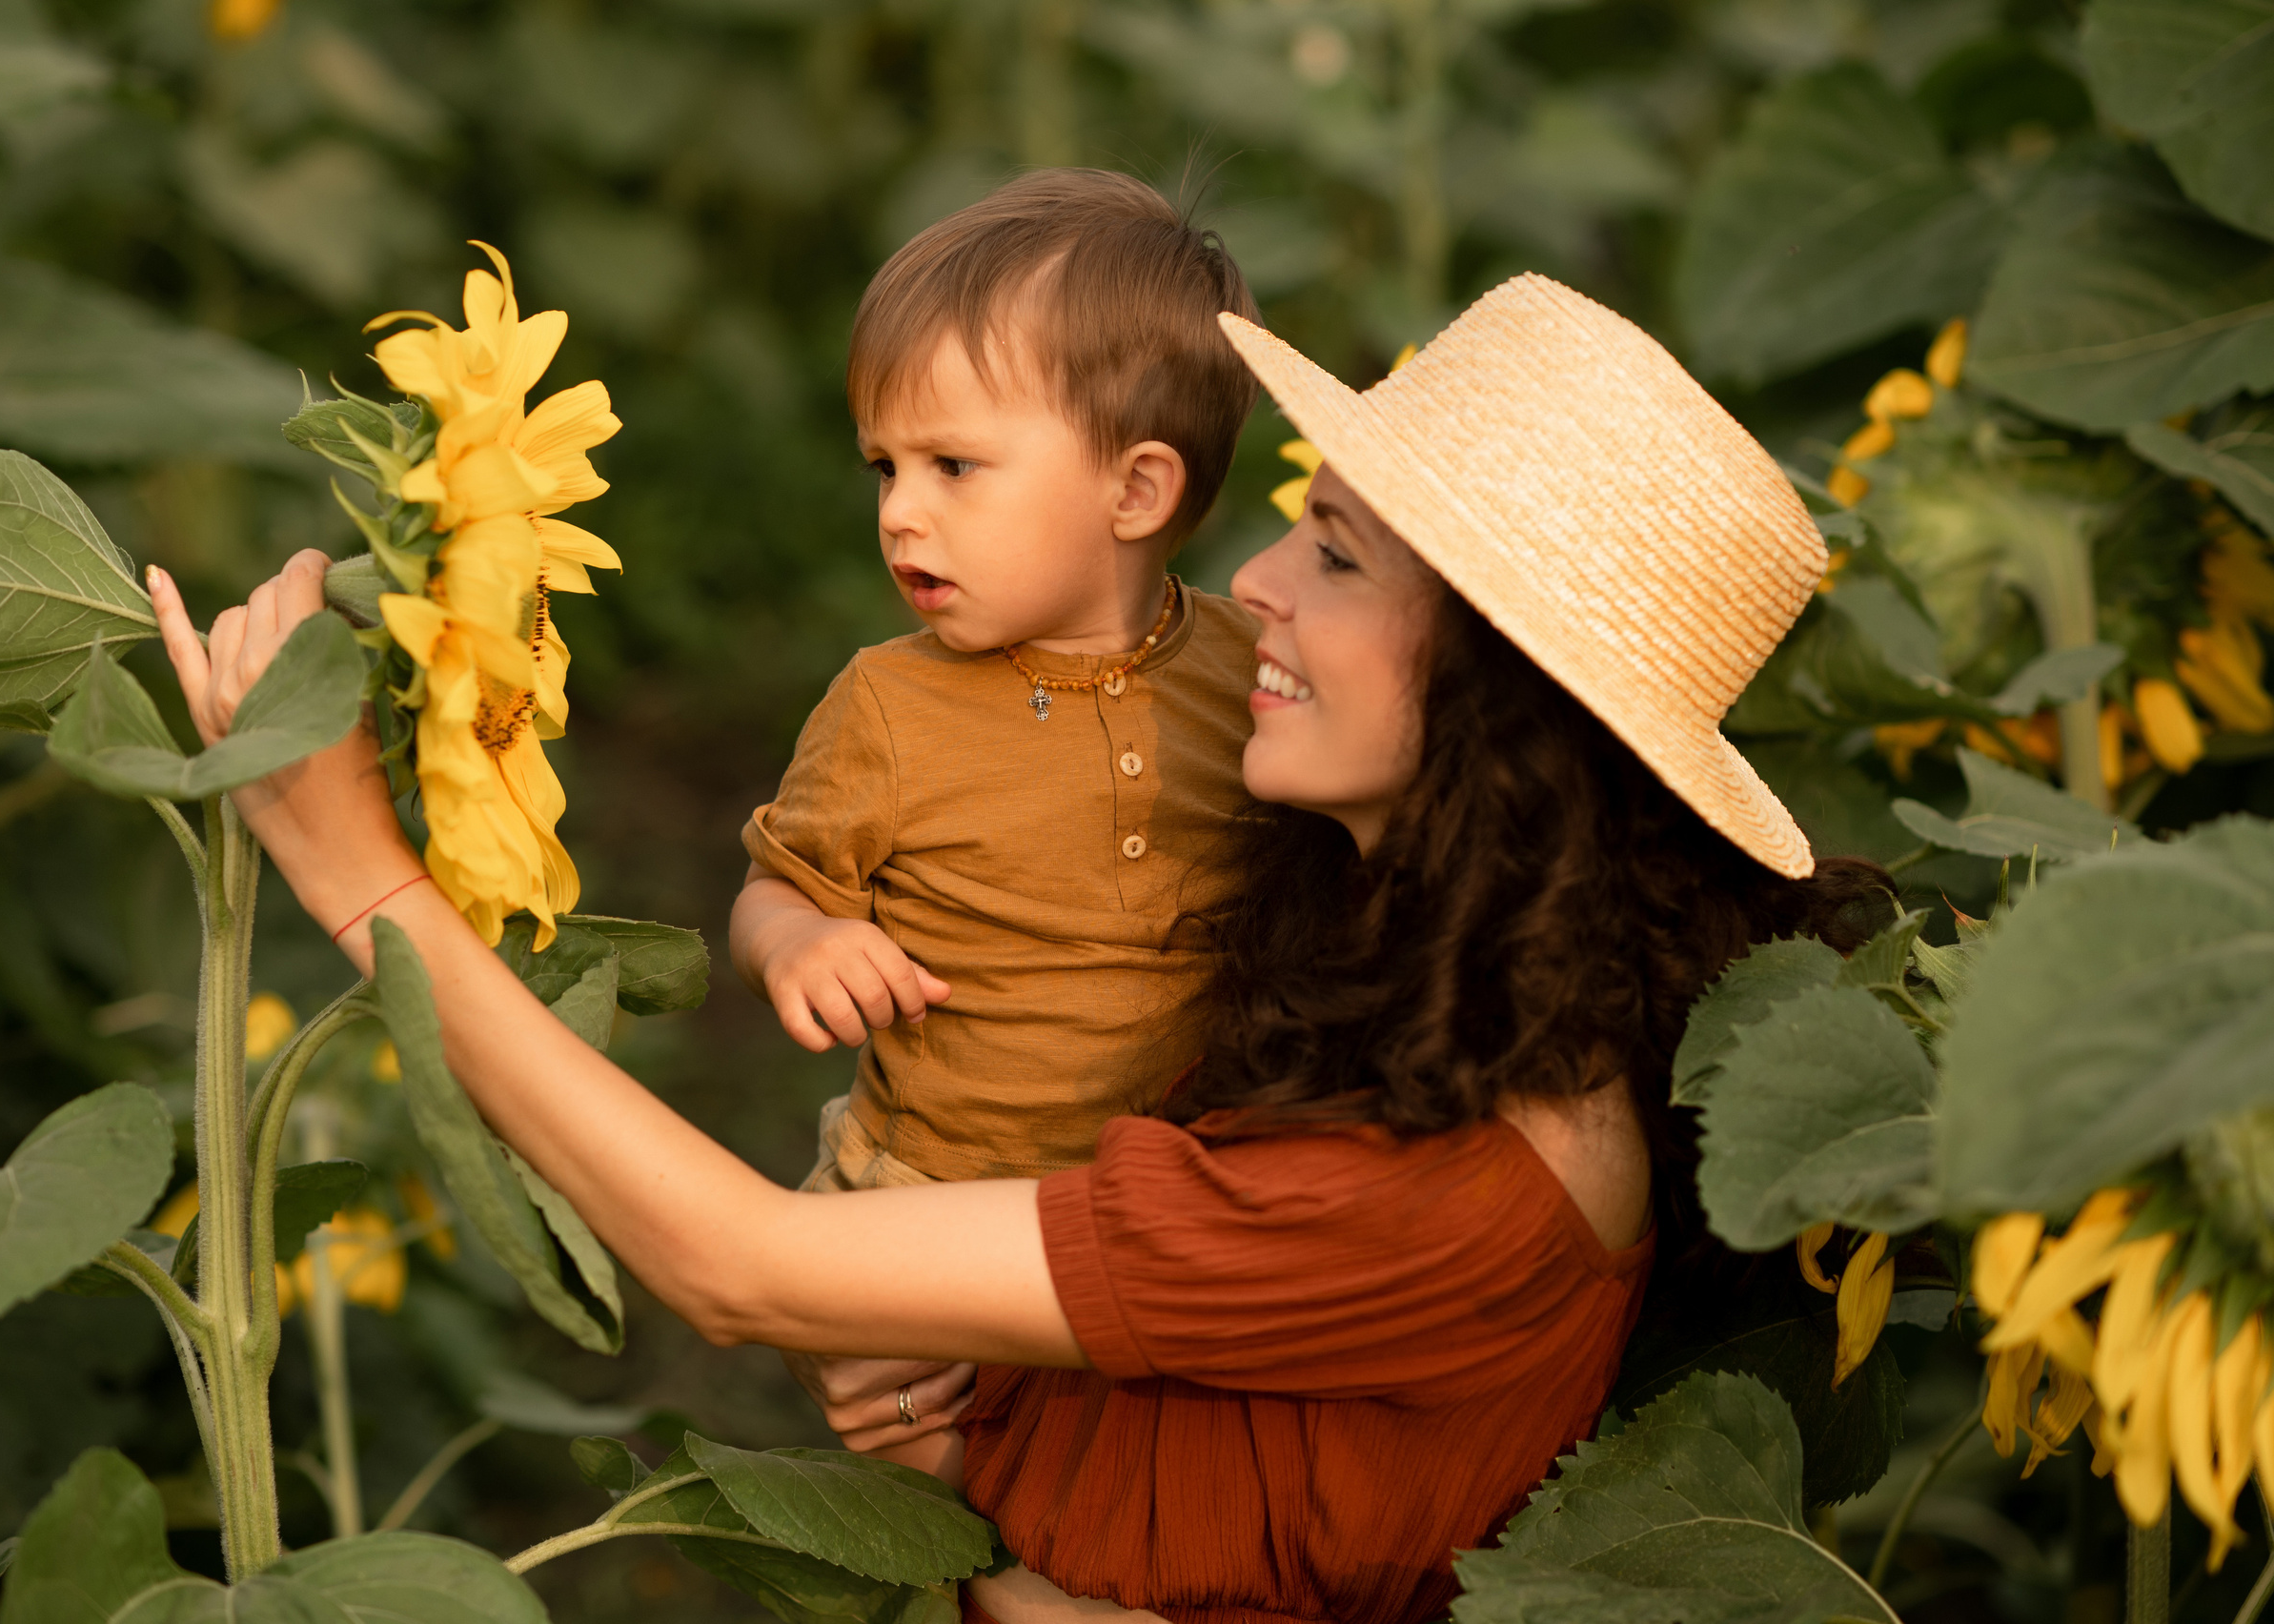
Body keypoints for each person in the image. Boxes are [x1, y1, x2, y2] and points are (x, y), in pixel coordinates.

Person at [146, 273, 1888, 1624]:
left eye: (1339, 555)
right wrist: (966, 1384)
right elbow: (1250, 1418)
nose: (1260, 582)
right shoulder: (1411, 972)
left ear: (1508, 703)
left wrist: (363, 878)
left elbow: (738, 1267)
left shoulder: (1456, 1194)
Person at [730, 170, 1263, 1468]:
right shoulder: (891, 708)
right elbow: (774, 884)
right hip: (927, 1195)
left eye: (955, 466)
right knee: (949, 1504)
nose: (900, 512)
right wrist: (799, 944)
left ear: (1135, 495)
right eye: (886, 467)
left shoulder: (1248, 677)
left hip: (1147, 1211)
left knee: (1127, 1499)